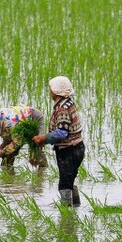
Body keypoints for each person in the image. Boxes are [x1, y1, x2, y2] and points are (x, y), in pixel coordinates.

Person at [32, 76, 85, 206]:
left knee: (64, 184)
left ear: (56, 91)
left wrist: (43, 138)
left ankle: (66, 215)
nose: (49, 91)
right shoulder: (68, 102)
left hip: (68, 150)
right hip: (78, 147)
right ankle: (75, 207)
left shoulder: (62, 109)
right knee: (70, 180)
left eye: (50, 89)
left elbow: (62, 132)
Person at [0, 105, 47, 170]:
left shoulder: (9, 122)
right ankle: (8, 175)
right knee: (8, 156)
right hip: (22, 126)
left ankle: (43, 173)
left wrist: (3, 152)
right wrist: (1, 147)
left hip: (34, 119)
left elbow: (17, 142)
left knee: (36, 150)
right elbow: (8, 138)